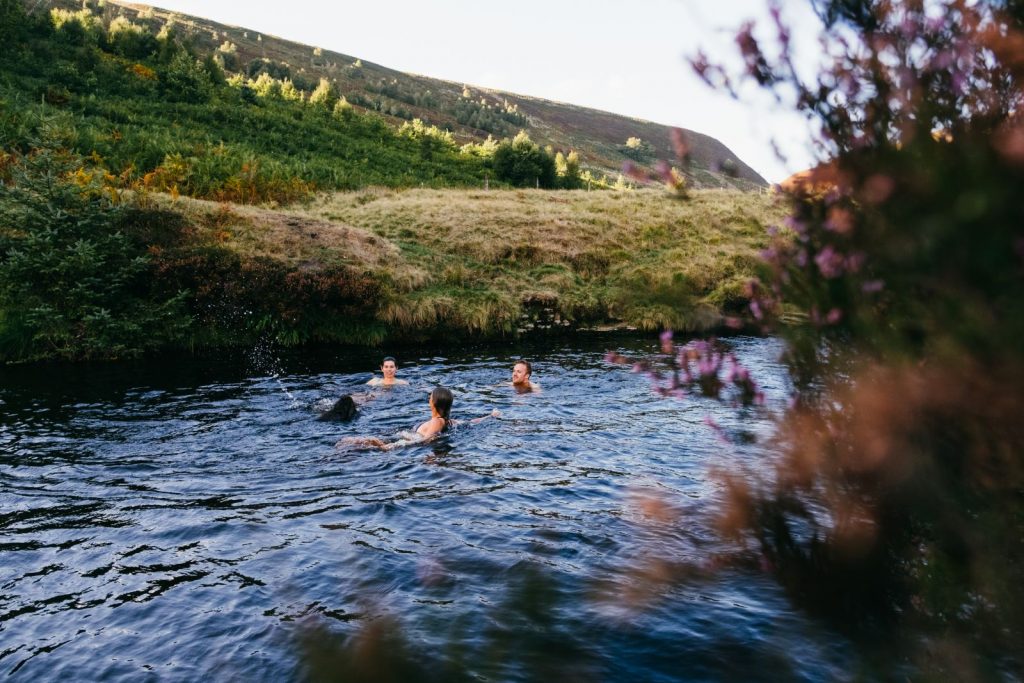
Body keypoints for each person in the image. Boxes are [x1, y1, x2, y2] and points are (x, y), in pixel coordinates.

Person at [336, 387, 498, 451]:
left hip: (401, 442)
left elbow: (426, 440)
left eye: (430, 397)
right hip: (403, 437)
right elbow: (470, 422)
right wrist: (489, 416)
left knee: (351, 442)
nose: (429, 399)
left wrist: (397, 445)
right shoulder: (447, 421)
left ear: (435, 402)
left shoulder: (437, 421)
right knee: (350, 443)